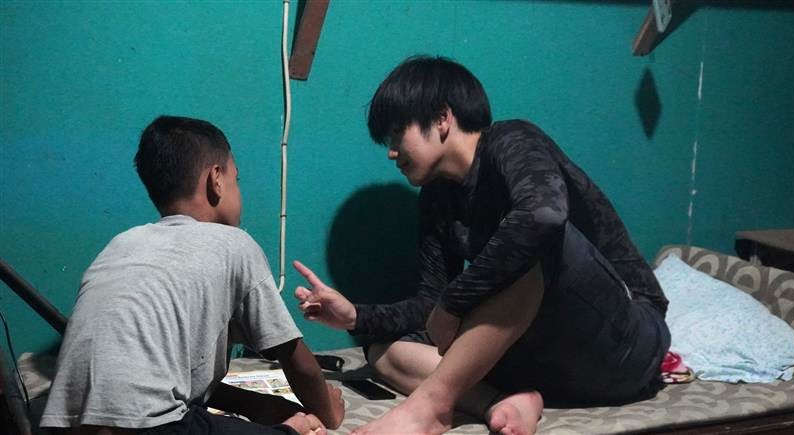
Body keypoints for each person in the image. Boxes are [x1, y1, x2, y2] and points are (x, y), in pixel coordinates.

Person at [293, 56, 671, 435]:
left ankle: (431, 407)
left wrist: (454, 301)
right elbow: (431, 306)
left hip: (624, 345)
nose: (392, 152)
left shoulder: (512, 140)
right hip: (544, 358)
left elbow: (544, 215)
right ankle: (501, 402)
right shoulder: (437, 195)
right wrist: (355, 317)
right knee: (385, 354)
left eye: (396, 134)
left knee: (532, 245)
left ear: (442, 118)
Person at [40, 116, 344, 435]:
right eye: (237, 179)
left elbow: (164, 382)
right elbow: (294, 358)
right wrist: (329, 411)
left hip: (63, 427)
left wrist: (257, 405)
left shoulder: (121, 244)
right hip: (156, 429)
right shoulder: (235, 243)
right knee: (303, 430)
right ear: (216, 179)